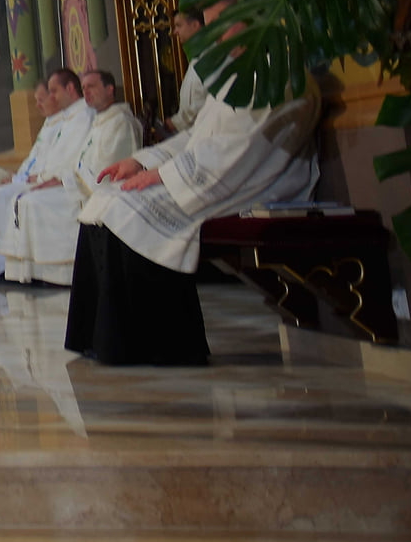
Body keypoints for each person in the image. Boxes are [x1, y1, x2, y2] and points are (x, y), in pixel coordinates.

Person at [68, 52, 322, 366]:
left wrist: (165, 173)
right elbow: (197, 136)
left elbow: (241, 148)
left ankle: (159, 346)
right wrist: (143, 161)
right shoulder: (234, 77)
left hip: (254, 182)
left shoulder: (276, 73)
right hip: (214, 173)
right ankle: (100, 340)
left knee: (127, 207)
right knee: (107, 198)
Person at [0, 70, 141, 287]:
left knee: (30, 202)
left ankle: (60, 273)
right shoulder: (100, 121)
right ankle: (37, 272)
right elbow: (79, 162)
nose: (86, 92)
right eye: (84, 88)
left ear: (110, 89)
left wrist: (64, 180)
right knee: (24, 199)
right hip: (79, 184)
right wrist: (58, 178)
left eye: (92, 87)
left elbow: (106, 171)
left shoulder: (120, 122)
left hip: (98, 193)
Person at [0, 69, 94, 286]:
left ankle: (15, 268)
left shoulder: (84, 116)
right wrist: (21, 176)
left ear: (69, 88)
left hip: (63, 182)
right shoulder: (64, 119)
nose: (48, 100)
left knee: (7, 199)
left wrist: (40, 178)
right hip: (42, 178)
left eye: (52, 92)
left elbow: (71, 160)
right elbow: (40, 157)